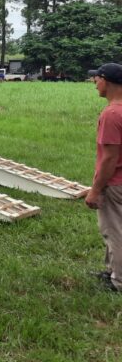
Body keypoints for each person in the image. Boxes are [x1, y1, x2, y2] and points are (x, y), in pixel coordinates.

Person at [86, 62, 122, 292]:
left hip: (115, 183)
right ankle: (111, 271)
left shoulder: (111, 114)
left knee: (114, 232)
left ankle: (118, 281)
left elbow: (110, 159)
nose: (94, 83)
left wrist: (95, 190)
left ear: (106, 81)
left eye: (96, 79)